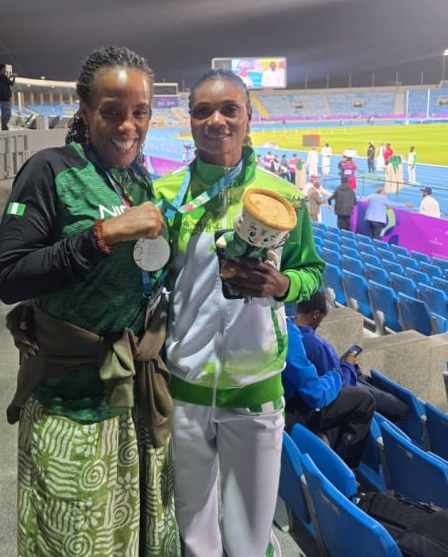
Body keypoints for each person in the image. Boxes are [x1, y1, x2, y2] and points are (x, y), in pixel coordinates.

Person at [0, 47, 179, 557]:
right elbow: (9, 276)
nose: (128, 126)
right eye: (112, 111)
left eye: (140, 112)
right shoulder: (49, 170)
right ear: (85, 108)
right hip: (70, 407)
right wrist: (103, 235)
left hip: (135, 402)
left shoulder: (138, 179)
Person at [153, 69, 324, 557]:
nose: (217, 121)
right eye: (203, 111)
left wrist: (284, 285)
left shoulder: (285, 197)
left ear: (249, 118)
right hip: (184, 386)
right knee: (194, 532)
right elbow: (152, 280)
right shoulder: (166, 195)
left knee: (249, 537)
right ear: (190, 120)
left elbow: (311, 271)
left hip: (256, 388)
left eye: (230, 110)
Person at [293, 291, 409, 424]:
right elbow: (339, 384)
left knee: (371, 382)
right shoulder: (317, 345)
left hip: (339, 379)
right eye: (323, 317)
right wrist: (348, 364)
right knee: (400, 407)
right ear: (315, 315)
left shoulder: (292, 334)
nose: (321, 322)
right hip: (341, 391)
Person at [283, 317, 376, 468]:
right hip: (291, 413)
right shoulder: (286, 332)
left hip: (279, 407)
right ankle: (345, 468)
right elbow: (316, 395)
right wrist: (337, 374)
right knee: (364, 400)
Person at [0, 63, 16, 130]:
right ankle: (4, 126)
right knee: (7, 113)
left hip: (1, 96)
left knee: (4, 112)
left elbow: (4, 82)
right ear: (3, 68)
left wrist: (9, 77)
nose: (5, 70)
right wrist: (14, 77)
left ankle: (3, 125)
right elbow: (12, 83)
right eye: (5, 68)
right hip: (5, 96)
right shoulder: (3, 75)